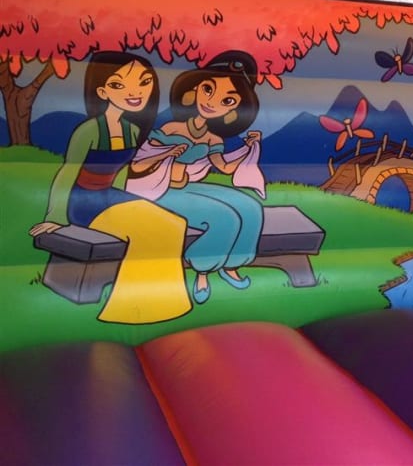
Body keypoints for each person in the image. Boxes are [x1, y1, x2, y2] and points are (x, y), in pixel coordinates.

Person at [29, 51, 192, 323]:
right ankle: (128, 310)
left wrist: (132, 200)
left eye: (143, 82)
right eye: (120, 84)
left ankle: (165, 304)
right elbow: (66, 174)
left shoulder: (131, 130)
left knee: (175, 224)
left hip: (111, 197)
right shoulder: (89, 131)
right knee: (152, 230)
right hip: (83, 203)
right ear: (103, 92)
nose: (135, 92)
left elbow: (120, 173)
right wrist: (55, 217)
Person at [127, 51, 265, 305]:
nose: (212, 102)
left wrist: (248, 148)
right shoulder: (171, 129)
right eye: (208, 89)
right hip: (161, 189)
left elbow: (224, 168)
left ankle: (231, 265)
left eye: (227, 100)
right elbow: (141, 161)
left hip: (187, 188)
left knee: (251, 208)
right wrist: (168, 153)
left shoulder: (213, 138)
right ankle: (202, 272)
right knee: (225, 218)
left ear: (234, 109)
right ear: (194, 90)